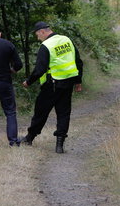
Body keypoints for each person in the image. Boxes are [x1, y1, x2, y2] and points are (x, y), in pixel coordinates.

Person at [21, 21, 83, 153]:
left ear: (42, 32)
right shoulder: (66, 40)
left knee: (41, 112)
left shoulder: (46, 46)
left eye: (37, 35)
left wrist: (28, 82)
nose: (38, 38)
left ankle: (29, 138)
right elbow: (78, 61)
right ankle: (59, 145)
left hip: (52, 85)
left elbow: (40, 70)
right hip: (67, 83)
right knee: (64, 113)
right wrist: (78, 81)